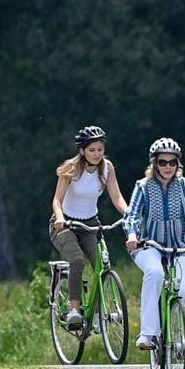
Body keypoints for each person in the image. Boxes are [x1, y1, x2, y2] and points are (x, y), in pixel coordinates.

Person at [124, 137, 185, 364]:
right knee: (154, 273)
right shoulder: (142, 187)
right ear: (154, 163)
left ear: (178, 164)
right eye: (162, 162)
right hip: (149, 246)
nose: (167, 167)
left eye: (172, 162)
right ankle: (148, 334)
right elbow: (132, 215)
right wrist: (133, 235)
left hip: (181, 247)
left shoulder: (184, 185)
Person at [50, 125, 128, 330]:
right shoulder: (71, 169)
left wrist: (130, 215)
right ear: (82, 150)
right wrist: (59, 219)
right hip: (66, 223)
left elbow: (117, 197)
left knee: (102, 266)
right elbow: (57, 201)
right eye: (92, 150)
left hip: (90, 224)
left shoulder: (106, 168)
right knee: (76, 260)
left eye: (100, 149)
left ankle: (96, 315)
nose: (96, 154)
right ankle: (74, 310)